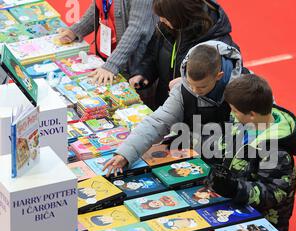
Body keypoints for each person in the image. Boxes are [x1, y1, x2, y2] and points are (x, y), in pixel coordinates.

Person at [103, 40, 243, 176]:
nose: (194, 90)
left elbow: (254, 135)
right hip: (193, 159)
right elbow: (157, 122)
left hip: (229, 165)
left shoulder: (243, 89)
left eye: (201, 87)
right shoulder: (183, 91)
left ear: (219, 76)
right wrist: (125, 154)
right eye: (189, 83)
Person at [207, 75, 296, 231]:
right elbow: (226, 142)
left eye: (234, 110)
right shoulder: (242, 121)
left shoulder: (276, 151)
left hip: (262, 225)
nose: (231, 113)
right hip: (235, 207)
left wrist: (234, 188)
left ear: (252, 114)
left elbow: (273, 193)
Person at [129, 0, 241, 109]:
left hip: (194, 116)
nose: (161, 19)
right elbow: (152, 53)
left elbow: (227, 82)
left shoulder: (218, 43)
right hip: (165, 105)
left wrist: (187, 84)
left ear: (181, 14)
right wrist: (143, 72)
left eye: (165, 16)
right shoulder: (167, 26)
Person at [58, 0, 157, 85]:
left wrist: (112, 64)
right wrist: (75, 30)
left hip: (134, 64)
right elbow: (99, 6)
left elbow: (137, 29)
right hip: (107, 59)